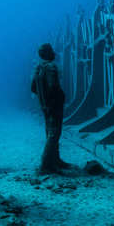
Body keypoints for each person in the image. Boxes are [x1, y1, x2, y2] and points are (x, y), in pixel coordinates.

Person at [31, 43, 70, 173]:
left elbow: (33, 88)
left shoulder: (38, 68)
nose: (54, 53)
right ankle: (46, 164)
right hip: (54, 105)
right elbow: (54, 86)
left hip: (44, 105)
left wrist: (44, 99)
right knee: (54, 133)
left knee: (49, 131)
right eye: (52, 51)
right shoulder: (51, 67)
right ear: (48, 53)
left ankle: (55, 159)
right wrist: (59, 97)